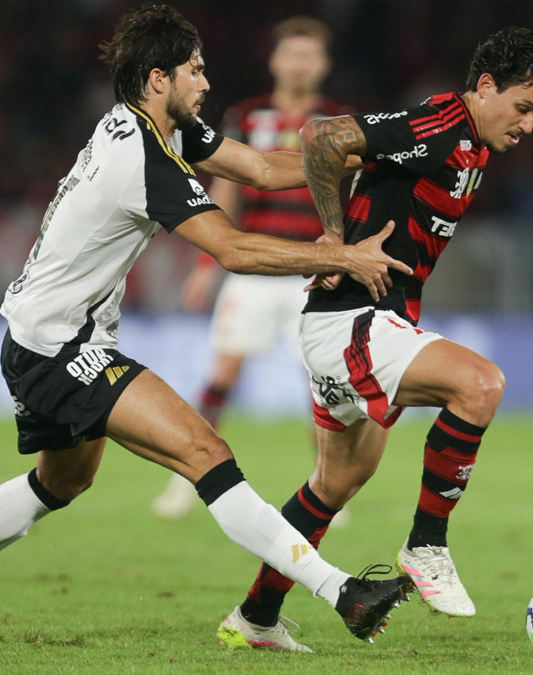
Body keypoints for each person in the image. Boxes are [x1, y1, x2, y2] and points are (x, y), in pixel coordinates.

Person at [0, 4, 409, 646]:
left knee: (63, 481)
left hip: (39, 336)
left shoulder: (156, 127)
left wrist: (374, 154)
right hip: (60, 348)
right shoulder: (144, 157)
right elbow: (233, 250)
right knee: (205, 454)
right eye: (195, 71)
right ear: (158, 78)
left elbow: (265, 169)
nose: (206, 83)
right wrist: (342, 256)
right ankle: (342, 592)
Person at [215, 26, 533, 651]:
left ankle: (255, 618)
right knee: (480, 384)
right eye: (522, 107)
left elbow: (350, 163)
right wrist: (334, 240)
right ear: (485, 86)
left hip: (359, 321)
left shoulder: (473, 146)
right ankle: (427, 544)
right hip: (351, 320)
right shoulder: (442, 123)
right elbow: (322, 136)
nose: (527, 125)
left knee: (334, 484)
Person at [150, 16, 355, 523]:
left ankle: (329, 489)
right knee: (223, 374)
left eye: (309, 55)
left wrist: (345, 254)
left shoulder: (340, 120)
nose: (300, 63)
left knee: (322, 382)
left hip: (313, 271)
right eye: (292, 53)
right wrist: (206, 264)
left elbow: (353, 193)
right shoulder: (246, 115)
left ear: (324, 64)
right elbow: (227, 188)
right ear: (275, 60)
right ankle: (185, 480)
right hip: (254, 268)